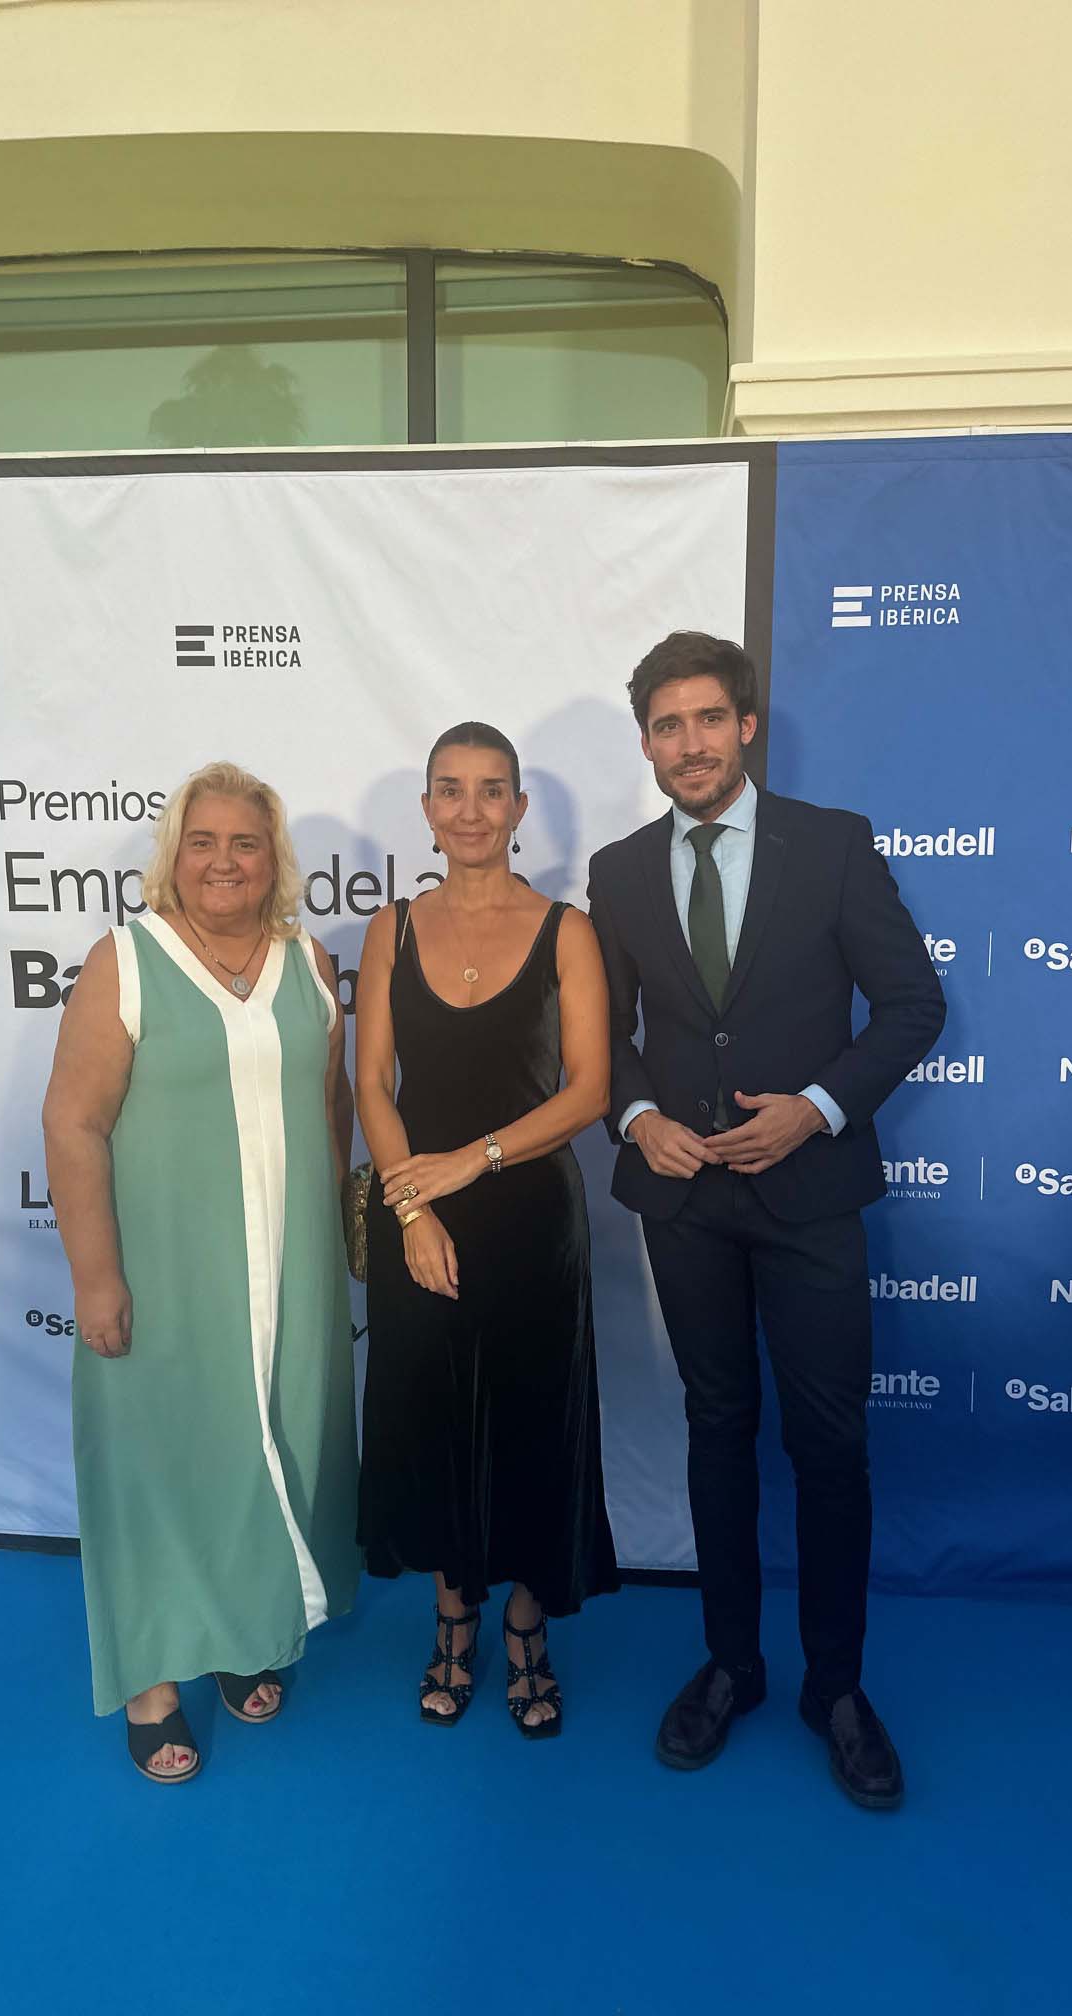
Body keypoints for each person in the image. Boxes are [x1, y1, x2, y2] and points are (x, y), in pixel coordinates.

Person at [587, 633, 945, 1807]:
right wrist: (638, 1116)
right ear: (646, 741)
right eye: (664, 726)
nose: (687, 744)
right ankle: (731, 1665)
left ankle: (834, 1687)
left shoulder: (834, 845)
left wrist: (820, 1109)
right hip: (686, 1199)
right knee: (716, 1429)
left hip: (809, 1195)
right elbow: (613, 1041)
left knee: (830, 1445)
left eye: (706, 720)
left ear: (746, 726)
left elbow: (912, 1003)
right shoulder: (621, 869)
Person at [42, 760, 360, 1783]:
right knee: (156, 1469)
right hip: (165, 1271)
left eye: (246, 842)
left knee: (268, 1447)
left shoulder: (306, 960)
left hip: (290, 1274)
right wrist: (97, 1277)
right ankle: (152, 1683)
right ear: (174, 856)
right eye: (204, 841)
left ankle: (242, 1633)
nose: (225, 861)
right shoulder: (124, 961)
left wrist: (338, 1232)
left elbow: (331, 1104)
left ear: (276, 861)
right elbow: (74, 1122)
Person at [355, 721, 619, 1739]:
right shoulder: (392, 930)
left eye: (491, 790)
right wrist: (414, 1207)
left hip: (529, 1227)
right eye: (450, 790)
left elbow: (589, 1090)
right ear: (427, 809)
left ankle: (524, 1628)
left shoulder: (570, 931)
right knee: (431, 1426)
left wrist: (473, 1160)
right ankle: (452, 1619)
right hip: (416, 1218)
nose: (471, 809)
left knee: (529, 1429)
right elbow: (372, 1082)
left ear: (517, 809)